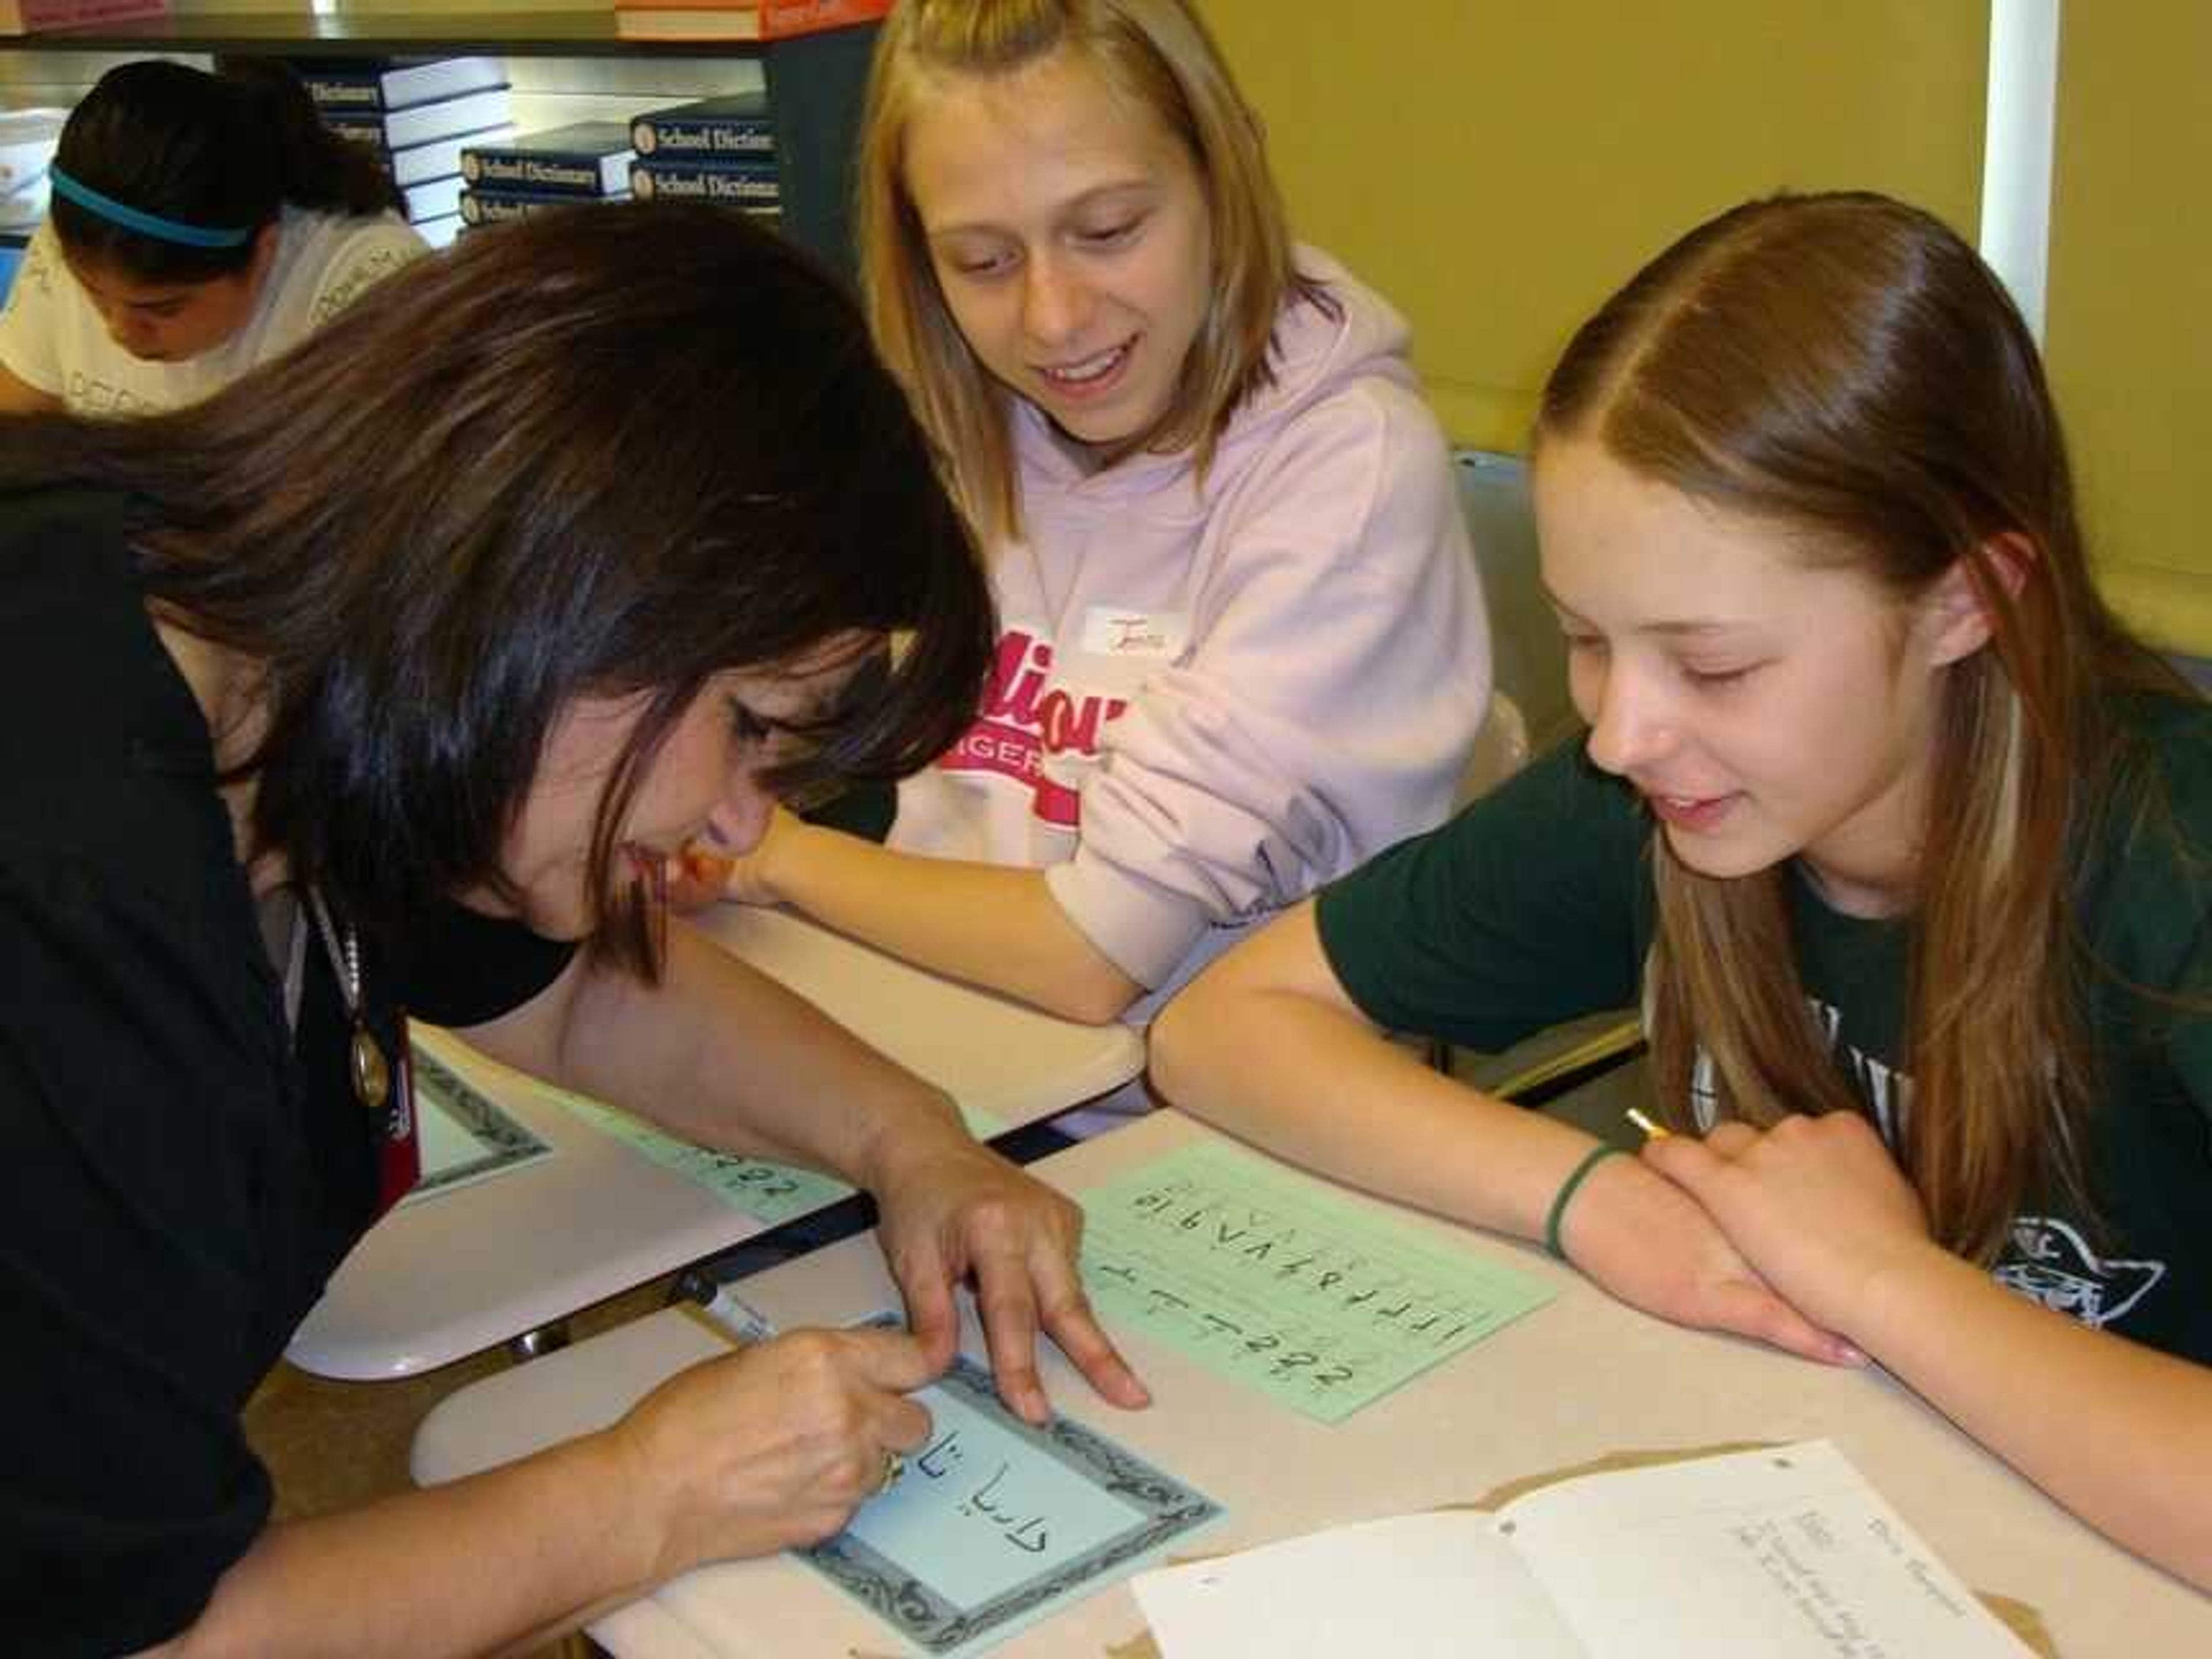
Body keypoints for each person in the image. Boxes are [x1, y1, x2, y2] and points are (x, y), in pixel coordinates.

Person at [0, 200, 1149, 1657]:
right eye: (747, 729)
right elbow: (141, 1636)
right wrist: (655, 1490)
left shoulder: (312, 683)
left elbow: (570, 994)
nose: (743, 826)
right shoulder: (64, 895)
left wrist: (914, 1144)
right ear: (559, 587)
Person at [1151, 191, 2212, 1590]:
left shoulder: (2168, 868)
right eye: (1585, 639)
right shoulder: (1666, 796)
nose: (1618, 732)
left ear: (1965, 601)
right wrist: (1600, 1202)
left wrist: (1883, 1282)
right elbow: (1221, 1029)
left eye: (1712, 665)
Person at [681, 0, 1490, 1033]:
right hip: (944, 1029)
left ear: (1227, 169)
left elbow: (1095, 954)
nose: (1053, 318)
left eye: (1108, 232)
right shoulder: (974, 419)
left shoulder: (1348, 468)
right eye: (983, 261)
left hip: (1191, 1122)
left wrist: (775, 856)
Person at [0, 59, 424, 418]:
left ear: (264, 252)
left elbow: (384, 499)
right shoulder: (82, 238)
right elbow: (18, 436)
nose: (121, 331)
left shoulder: (368, 281)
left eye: (163, 308)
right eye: (93, 294)